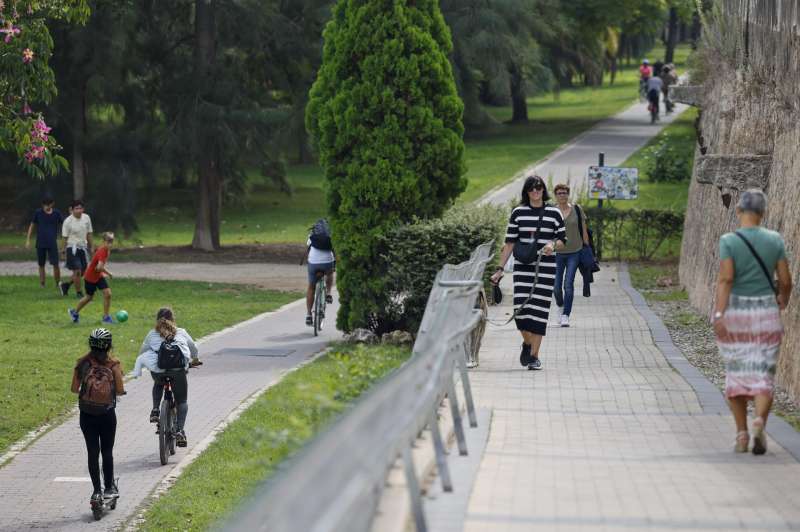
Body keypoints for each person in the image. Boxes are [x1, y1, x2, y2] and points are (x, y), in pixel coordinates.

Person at [713, 189, 792, 455]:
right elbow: (785, 279)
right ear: (763, 213)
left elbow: (726, 279)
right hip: (766, 314)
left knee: (736, 374)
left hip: (736, 314)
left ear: (739, 212)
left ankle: (742, 434)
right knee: (763, 374)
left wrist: (719, 314)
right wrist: (782, 299)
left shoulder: (729, 241)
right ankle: (759, 421)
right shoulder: (774, 239)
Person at [490, 175, 566, 370]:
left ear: (543, 190)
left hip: (546, 268)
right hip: (523, 268)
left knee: (540, 312)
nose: (535, 191)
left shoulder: (554, 213)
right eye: (531, 188)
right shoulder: (518, 213)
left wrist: (552, 245)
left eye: (539, 188)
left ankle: (533, 356)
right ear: (526, 191)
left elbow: (562, 239)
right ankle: (527, 343)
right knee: (521, 312)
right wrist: (499, 269)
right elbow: (509, 243)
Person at [71, 328, 125, 504]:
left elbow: (73, 388)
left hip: (87, 414)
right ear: (109, 346)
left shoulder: (82, 364)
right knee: (107, 451)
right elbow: (119, 390)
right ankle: (109, 488)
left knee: (92, 452)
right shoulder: (114, 364)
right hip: (107, 414)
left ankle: (96, 492)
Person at [133, 307, 199, 447]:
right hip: (177, 371)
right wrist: (194, 359)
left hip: (159, 371)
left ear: (157, 320)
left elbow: (142, 352)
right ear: (173, 320)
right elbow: (193, 348)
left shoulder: (151, 334)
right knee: (182, 401)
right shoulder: (181, 332)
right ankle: (180, 430)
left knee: (158, 382)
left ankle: (156, 409)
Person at [552, 184, 590, 327]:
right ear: (555, 195)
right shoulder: (552, 211)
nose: (562, 195)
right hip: (557, 253)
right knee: (556, 287)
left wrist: (588, 248)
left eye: (565, 193)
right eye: (559, 193)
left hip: (575, 252)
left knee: (568, 284)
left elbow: (584, 230)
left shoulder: (577, 209)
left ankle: (566, 315)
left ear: (568, 194)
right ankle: (560, 306)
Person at [69, 232, 115, 324]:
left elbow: (98, 268)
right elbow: (99, 268)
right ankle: (74, 312)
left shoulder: (106, 250)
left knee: (108, 294)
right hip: (90, 277)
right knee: (89, 297)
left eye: (111, 242)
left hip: (98, 276)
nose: (110, 244)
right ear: (104, 241)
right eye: (108, 241)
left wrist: (101, 270)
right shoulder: (103, 251)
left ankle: (106, 318)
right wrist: (109, 273)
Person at [25, 197, 64, 290]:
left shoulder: (57, 213)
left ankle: (58, 283)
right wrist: (28, 240)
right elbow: (32, 225)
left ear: (52, 204)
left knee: (55, 264)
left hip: (52, 242)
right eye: (44, 205)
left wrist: (64, 237)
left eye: (48, 204)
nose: (46, 207)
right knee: (41, 264)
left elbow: (64, 225)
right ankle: (42, 283)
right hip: (40, 242)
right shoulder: (38, 213)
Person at [304, 218, 335, 326]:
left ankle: (308, 315)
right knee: (330, 273)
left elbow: (308, 250)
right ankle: (329, 293)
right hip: (327, 262)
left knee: (311, 287)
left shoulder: (311, 236)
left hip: (313, 263)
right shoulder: (331, 235)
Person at [61, 200, 94, 298]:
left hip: (83, 247)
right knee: (78, 270)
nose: (79, 210)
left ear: (83, 209)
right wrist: (63, 250)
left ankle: (65, 285)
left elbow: (89, 233)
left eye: (81, 208)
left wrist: (92, 246)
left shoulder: (86, 218)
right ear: (72, 210)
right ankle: (79, 293)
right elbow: (64, 237)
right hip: (72, 248)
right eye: (76, 208)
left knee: (83, 271)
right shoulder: (68, 221)